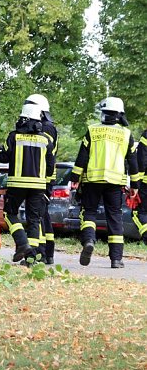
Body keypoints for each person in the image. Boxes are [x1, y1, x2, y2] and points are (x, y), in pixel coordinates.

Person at [69, 97, 139, 268]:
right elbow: (133, 162)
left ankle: (89, 241)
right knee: (114, 217)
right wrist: (135, 186)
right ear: (120, 114)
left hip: (92, 180)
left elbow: (82, 158)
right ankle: (116, 259)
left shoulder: (92, 131)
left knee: (89, 212)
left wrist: (74, 179)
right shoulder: (126, 134)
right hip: (115, 183)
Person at [0, 102, 55, 264]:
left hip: (16, 185)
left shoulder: (13, 136)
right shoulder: (46, 140)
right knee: (34, 220)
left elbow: (4, 158)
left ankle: (22, 243)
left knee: (9, 214)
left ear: (23, 119)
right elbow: (51, 166)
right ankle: (31, 259)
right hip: (38, 186)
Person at [25, 94, 59, 264]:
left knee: (38, 216)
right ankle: (48, 253)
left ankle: (42, 252)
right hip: (44, 178)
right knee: (42, 215)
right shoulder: (48, 126)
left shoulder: (45, 128)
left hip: (42, 178)